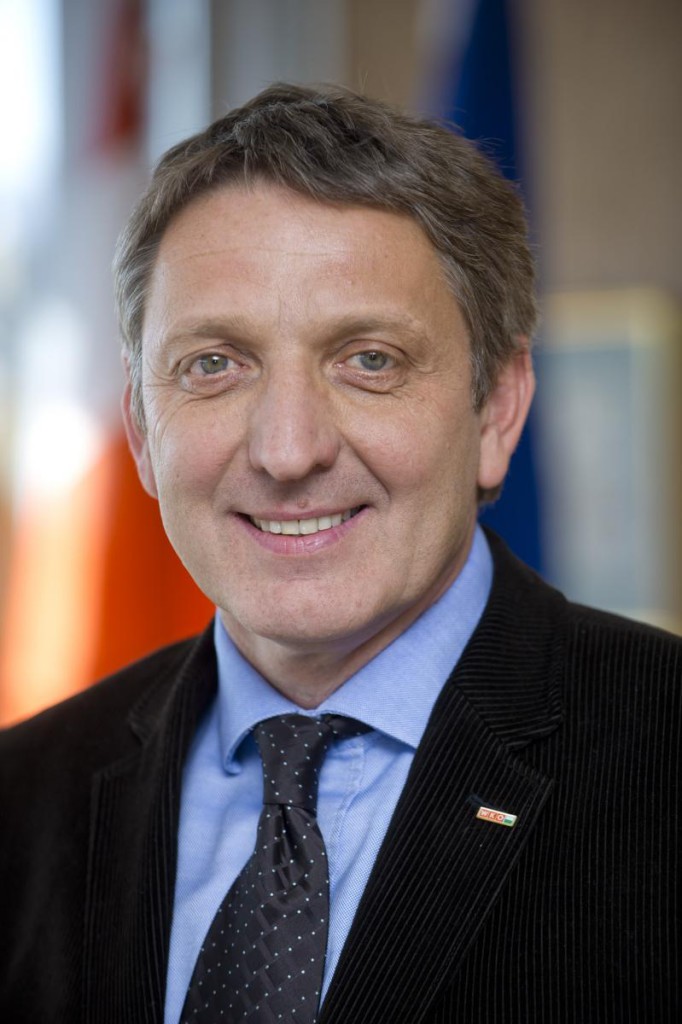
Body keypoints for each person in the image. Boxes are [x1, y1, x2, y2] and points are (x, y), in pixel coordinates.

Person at [0, 84, 680, 1024]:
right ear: (143, 431)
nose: (288, 451)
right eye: (214, 364)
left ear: (496, 409)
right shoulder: (22, 799)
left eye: (369, 360)